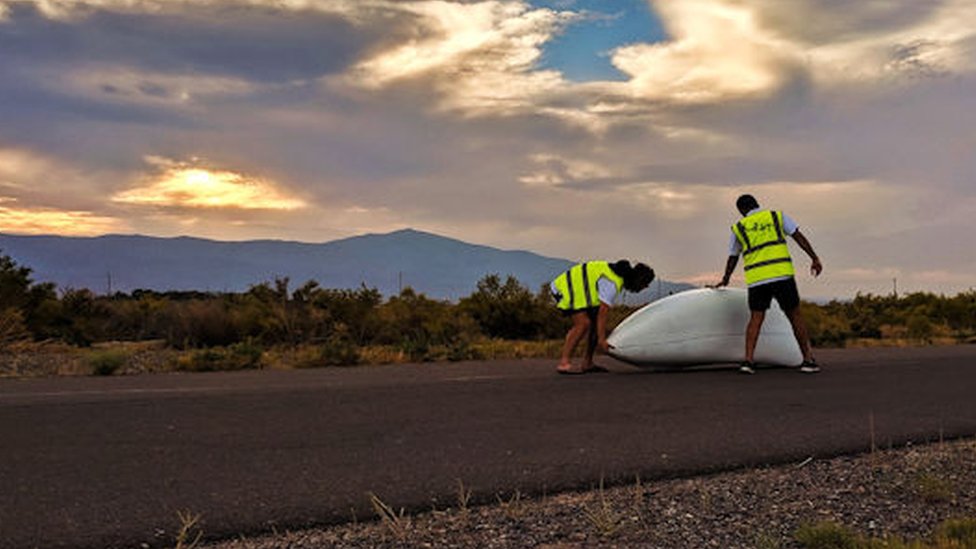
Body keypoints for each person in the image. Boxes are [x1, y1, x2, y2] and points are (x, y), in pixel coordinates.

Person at [713, 194, 822, 374]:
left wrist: (726, 279)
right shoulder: (776, 216)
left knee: (756, 319)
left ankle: (748, 362)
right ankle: (808, 360)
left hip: (758, 279)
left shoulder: (739, 227)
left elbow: (733, 256)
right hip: (782, 275)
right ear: (757, 204)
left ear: (741, 210)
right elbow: (798, 237)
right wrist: (814, 258)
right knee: (795, 316)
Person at [551, 260, 655, 374]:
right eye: (645, 284)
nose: (645, 287)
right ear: (638, 280)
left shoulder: (618, 275)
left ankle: (587, 363)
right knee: (583, 324)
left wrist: (600, 336)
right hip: (565, 288)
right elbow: (603, 312)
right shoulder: (612, 283)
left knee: (594, 325)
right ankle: (564, 363)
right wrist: (602, 340)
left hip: (581, 293)